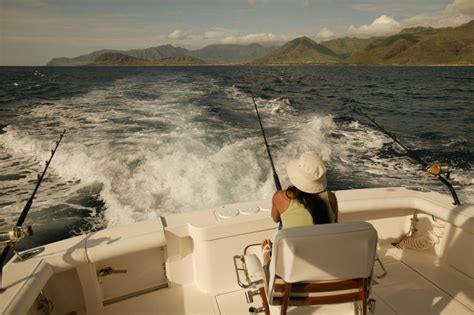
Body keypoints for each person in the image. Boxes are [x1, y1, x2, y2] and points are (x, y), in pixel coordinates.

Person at [262, 151, 338, 272]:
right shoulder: (331, 198)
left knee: (281, 226)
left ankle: (267, 256)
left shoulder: (280, 197)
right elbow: (334, 225)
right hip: (325, 263)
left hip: (293, 269)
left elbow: (275, 218)